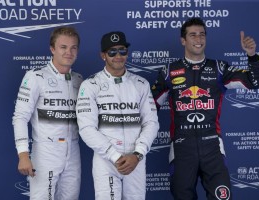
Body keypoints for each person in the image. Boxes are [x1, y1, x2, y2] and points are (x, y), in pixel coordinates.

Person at [151, 17, 259, 200]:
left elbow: (256, 82)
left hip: (212, 146)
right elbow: (150, 108)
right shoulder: (169, 71)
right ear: (183, 40)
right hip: (181, 147)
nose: (199, 39)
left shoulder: (220, 68)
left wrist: (252, 56)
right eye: (193, 35)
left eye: (202, 35)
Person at [76, 31, 159, 200]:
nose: (118, 56)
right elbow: (86, 128)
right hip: (106, 160)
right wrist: (115, 156)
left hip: (135, 159)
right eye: (112, 52)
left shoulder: (141, 84)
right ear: (103, 55)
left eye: (122, 51)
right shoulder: (91, 85)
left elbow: (151, 122)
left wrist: (137, 154)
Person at [12, 26, 83, 200]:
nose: (69, 52)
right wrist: (23, 154)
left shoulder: (79, 80)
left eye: (73, 47)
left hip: (73, 150)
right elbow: (20, 117)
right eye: (63, 47)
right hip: (46, 151)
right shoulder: (36, 77)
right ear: (52, 49)